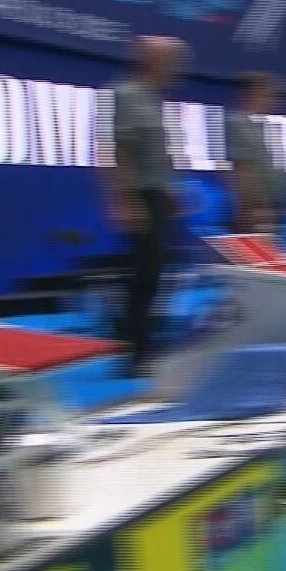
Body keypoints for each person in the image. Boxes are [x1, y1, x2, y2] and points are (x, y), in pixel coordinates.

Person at [102, 35, 188, 376]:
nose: (176, 68)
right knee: (144, 275)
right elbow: (117, 151)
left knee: (154, 273)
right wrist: (123, 200)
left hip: (155, 195)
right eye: (171, 61)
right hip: (138, 196)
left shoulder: (154, 99)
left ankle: (140, 341)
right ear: (151, 61)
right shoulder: (124, 95)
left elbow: (155, 155)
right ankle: (134, 352)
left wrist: (170, 190)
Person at [226, 71, 286, 233]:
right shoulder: (238, 124)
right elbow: (243, 170)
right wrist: (257, 208)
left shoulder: (263, 127)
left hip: (272, 209)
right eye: (269, 94)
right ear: (254, 93)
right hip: (255, 211)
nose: (274, 100)